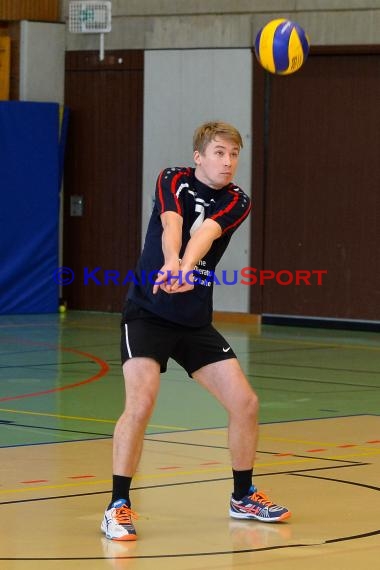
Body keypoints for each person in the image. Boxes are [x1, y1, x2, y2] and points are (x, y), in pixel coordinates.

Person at [101, 121, 291, 541]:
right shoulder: (173, 179)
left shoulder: (238, 201)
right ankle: (117, 506)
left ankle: (243, 496)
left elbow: (205, 233)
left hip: (192, 319)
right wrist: (171, 262)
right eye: (219, 153)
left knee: (245, 402)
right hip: (147, 313)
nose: (228, 162)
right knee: (141, 403)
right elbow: (173, 224)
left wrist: (185, 269)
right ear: (199, 156)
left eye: (234, 154)